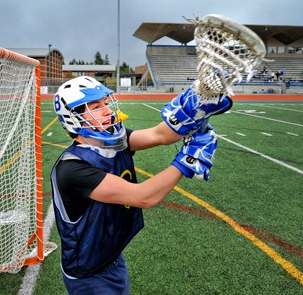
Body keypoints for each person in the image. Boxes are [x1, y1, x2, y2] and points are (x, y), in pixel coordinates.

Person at [50, 76, 232, 294]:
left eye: (106, 103)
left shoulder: (114, 139)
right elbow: (143, 197)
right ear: (74, 117)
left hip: (111, 256)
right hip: (89, 273)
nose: (108, 110)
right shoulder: (73, 168)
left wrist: (191, 111)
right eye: (96, 107)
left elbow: (160, 135)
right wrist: (188, 160)